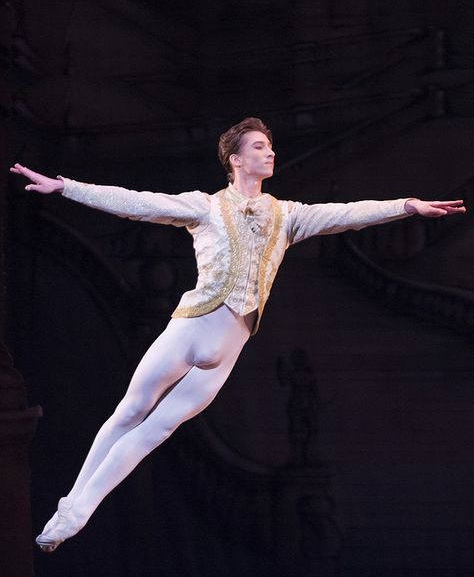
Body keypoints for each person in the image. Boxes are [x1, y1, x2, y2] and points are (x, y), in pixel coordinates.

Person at [10, 117, 466, 552]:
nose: (270, 152)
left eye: (269, 146)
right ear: (235, 159)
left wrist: (406, 206)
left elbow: (345, 213)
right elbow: (138, 202)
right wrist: (65, 187)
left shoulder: (287, 216)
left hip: (228, 348)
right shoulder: (204, 206)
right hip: (190, 328)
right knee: (130, 412)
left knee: (157, 430)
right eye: (259, 147)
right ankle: (73, 508)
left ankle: (76, 513)